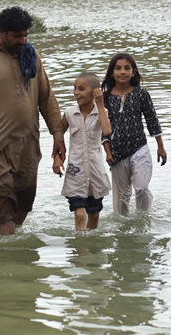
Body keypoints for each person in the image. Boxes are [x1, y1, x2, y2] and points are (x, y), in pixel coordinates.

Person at [0, 6, 65, 236]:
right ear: (2, 32)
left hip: (28, 144)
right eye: (17, 36)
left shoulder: (32, 55)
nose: (23, 40)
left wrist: (57, 135)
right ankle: (7, 260)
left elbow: (46, 98)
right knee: (4, 207)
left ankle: (16, 253)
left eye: (25, 35)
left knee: (24, 205)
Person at [102, 53, 167, 216]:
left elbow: (152, 120)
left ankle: (143, 218)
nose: (122, 72)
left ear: (133, 72)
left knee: (142, 187)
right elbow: (102, 128)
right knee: (122, 197)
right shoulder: (106, 98)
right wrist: (107, 151)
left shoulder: (141, 94)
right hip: (116, 153)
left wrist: (160, 147)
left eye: (127, 68)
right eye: (118, 68)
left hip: (140, 148)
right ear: (112, 73)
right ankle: (124, 230)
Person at [53, 73, 112, 231]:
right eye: (74, 88)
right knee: (80, 214)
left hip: (95, 172)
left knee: (94, 214)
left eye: (81, 88)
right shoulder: (70, 114)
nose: (76, 92)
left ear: (94, 91)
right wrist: (57, 159)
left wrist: (100, 104)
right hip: (76, 171)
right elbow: (58, 135)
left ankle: (92, 251)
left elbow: (106, 131)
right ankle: (81, 251)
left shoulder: (102, 112)